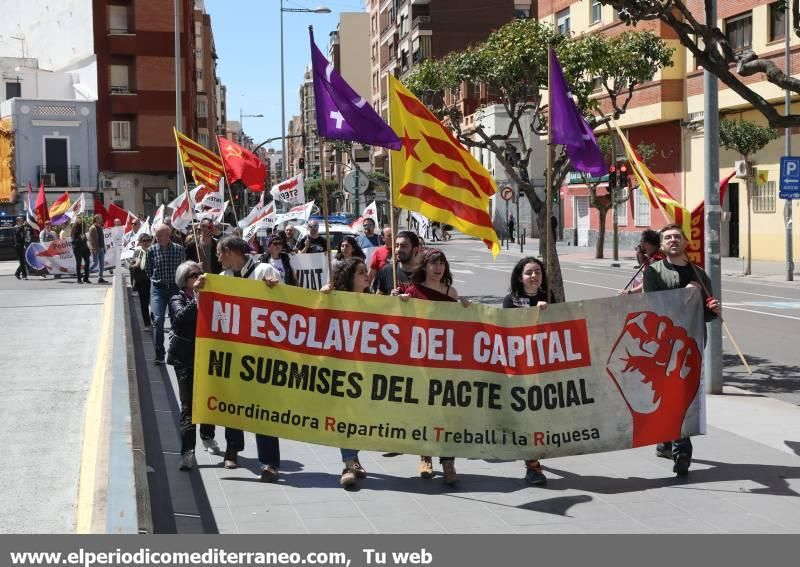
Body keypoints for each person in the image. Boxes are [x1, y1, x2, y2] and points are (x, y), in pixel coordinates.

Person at [195, 236, 284, 482]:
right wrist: (201, 291)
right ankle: (233, 450)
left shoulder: (264, 270)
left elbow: (285, 301)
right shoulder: (223, 280)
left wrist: (276, 287)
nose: (217, 257)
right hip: (235, 354)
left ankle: (269, 463)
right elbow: (210, 311)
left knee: (263, 409)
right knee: (233, 405)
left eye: (220, 253)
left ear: (231, 251)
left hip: (262, 353)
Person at [642, 223, 721, 476]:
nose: (673, 240)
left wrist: (714, 310)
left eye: (677, 236)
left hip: (693, 345)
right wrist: (684, 295)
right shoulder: (653, 272)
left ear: (685, 242)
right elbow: (655, 308)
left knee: (678, 398)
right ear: (662, 245)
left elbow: (706, 313)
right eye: (668, 238)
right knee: (674, 398)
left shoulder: (699, 274)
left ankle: (668, 442)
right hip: (663, 348)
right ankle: (682, 450)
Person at [399, 248, 461, 485]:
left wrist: (465, 307)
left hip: (445, 361)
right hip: (421, 360)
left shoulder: (451, 292)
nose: (438, 268)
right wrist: (401, 302)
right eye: (433, 263)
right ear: (424, 266)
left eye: (442, 264)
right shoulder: (412, 292)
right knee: (425, 411)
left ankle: (448, 462)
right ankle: (425, 457)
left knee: (446, 413)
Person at [502, 256, 558, 485]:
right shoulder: (510, 300)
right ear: (519, 277)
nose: (534, 276)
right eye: (528, 273)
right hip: (520, 368)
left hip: (544, 365)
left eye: (537, 272)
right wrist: (533, 314)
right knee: (529, 417)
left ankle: (532, 459)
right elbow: (508, 329)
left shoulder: (548, 296)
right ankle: (533, 467)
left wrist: (547, 311)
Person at [320, 257, 372, 488]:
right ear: (349, 277)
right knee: (346, 415)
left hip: (369, 369)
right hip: (343, 369)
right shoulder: (335, 299)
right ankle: (349, 462)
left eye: (367, 271)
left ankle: (354, 458)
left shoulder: (376, 301)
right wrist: (322, 297)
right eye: (361, 272)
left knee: (361, 417)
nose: (367, 275)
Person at [168, 261, 221, 470]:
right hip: (185, 359)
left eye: (200, 273)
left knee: (208, 399)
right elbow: (179, 319)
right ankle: (188, 452)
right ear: (184, 280)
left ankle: (208, 436)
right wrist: (197, 297)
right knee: (189, 405)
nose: (198, 277)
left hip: (208, 356)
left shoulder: (210, 295)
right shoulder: (177, 298)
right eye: (193, 275)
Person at [146, 223, 186, 365]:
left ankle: (175, 352)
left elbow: (183, 270)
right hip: (158, 289)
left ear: (168, 236)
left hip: (175, 289)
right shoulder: (151, 251)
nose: (156, 237)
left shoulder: (179, 250)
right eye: (156, 235)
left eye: (159, 235)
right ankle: (159, 353)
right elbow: (148, 270)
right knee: (158, 320)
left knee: (177, 320)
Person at [374, 230, 420, 295]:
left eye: (403, 246)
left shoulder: (424, 274)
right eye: (397, 245)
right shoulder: (387, 270)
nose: (398, 249)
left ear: (415, 249)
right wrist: (390, 298)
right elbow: (378, 299)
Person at [625, 229, 665, 295]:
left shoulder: (656, 260)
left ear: (646, 244)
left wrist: (630, 292)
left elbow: (648, 282)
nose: (639, 244)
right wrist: (639, 252)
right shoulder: (653, 256)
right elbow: (643, 265)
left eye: (641, 241)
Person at [130, 233, 153, 327]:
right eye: (144, 241)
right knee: (144, 303)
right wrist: (136, 265)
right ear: (140, 242)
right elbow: (131, 267)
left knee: (154, 302)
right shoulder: (137, 252)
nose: (147, 243)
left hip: (152, 280)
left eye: (148, 240)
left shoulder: (153, 251)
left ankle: (155, 320)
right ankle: (147, 323)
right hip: (141, 281)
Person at [88, 214, 109, 284]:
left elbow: (102, 239)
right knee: (95, 263)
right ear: (96, 219)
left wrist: (104, 247)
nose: (100, 219)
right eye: (99, 218)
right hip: (96, 248)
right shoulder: (92, 228)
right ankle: (86, 273)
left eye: (100, 217)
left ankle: (100, 278)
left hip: (101, 248)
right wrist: (92, 248)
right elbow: (91, 240)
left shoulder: (100, 227)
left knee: (102, 264)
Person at [71, 218, 91, 284]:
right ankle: (79, 279)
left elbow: (85, 240)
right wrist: (80, 238)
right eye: (78, 220)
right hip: (77, 249)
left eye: (81, 220)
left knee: (87, 262)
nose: (80, 221)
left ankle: (86, 278)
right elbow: (73, 241)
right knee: (79, 263)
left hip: (84, 248)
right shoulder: (74, 230)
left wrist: (84, 239)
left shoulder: (83, 229)